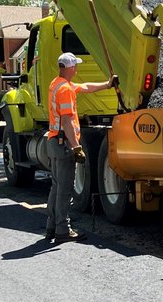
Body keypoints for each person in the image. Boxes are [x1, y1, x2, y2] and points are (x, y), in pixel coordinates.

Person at [46, 52, 119, 243]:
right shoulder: (65, 90)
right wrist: (76, 147)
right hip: (64, 143)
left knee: (56, 187)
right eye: (75, 66)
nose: (76, 68)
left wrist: (107, 84)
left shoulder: (57, 84)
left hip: (54, 141)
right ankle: (62, 230)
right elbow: (68, 121)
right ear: (70, 68)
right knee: (64, 190)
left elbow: (86, 87)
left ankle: (52, 226)